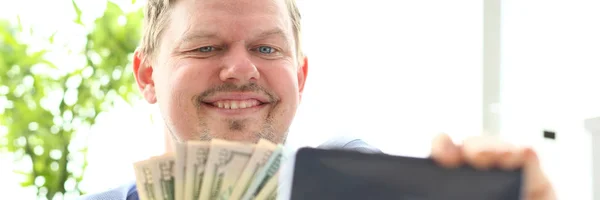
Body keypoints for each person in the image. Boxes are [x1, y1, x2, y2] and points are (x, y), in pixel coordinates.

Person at [79, 0, 556, 199]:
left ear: (300, 76)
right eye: (205, 47)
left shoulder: (361, 184)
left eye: (267, 48)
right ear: (147, 75)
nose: (243, 69)